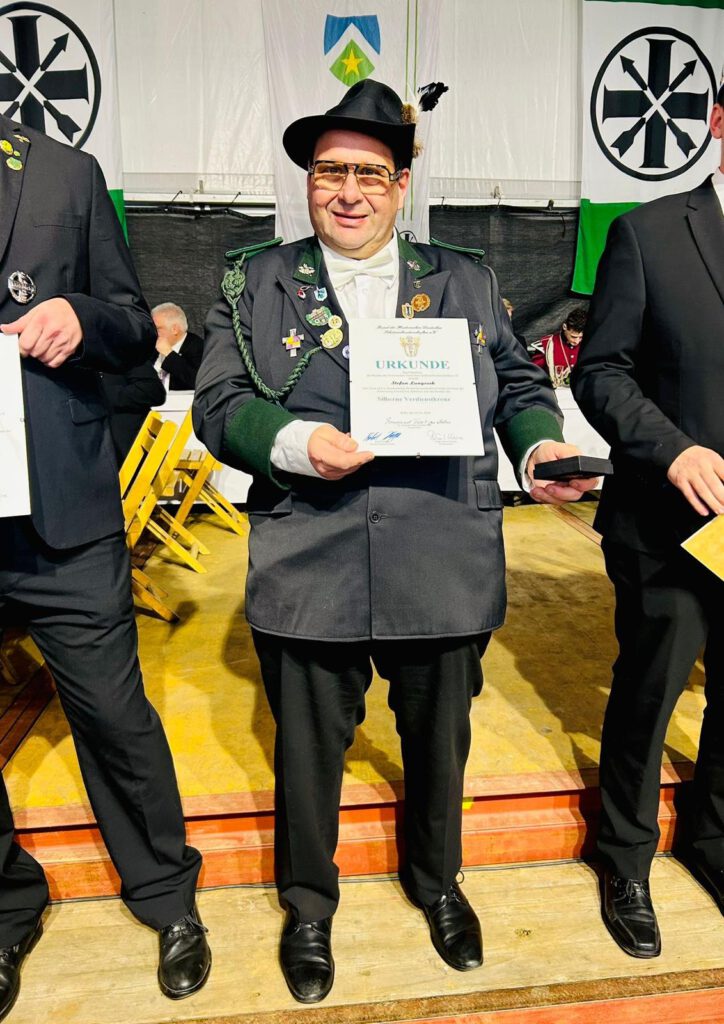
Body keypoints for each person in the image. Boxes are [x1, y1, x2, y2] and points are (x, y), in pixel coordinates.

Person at [193, 79, 597, 1004]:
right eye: (329, 171)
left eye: (370, 174)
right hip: (310, 553)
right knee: (306, 754)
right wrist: (297, 442)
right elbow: (218, 403)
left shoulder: (465, 277)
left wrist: (539, 446)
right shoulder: (255, 280)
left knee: (439, 743)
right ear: (308, 181)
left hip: (440, 554)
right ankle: (309, 906)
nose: (349, 192)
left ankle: (438, 882)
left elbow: (519, 385)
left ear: (401, 185)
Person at [0, 114, 211, 1018]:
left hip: (63, 514)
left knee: (117, 718)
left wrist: (78, 318)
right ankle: (5, 906)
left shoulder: (63, 171)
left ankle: (166, 894)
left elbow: (132, 325)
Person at [571, 88, 724, 959]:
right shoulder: (650, 232)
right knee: (649, 694)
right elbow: (601, 372)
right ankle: (624, 857)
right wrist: (674, 451)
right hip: (670, 524)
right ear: (717, 120)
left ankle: (712, 839)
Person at [99, 360, 167, 464]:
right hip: (93, 450)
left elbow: (154, 391)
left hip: (126, 455)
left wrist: (101, 394)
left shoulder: (123, 354)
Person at [529, 306, 587, 387]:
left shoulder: (588, 344)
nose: (577, 341)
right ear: (564, 327)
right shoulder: (547, 344)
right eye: (573, 337)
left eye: (581, 337)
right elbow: (532, 374)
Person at [152, 302, 203, 390]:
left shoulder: (198, 347)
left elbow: (198, 382)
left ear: (175, 329)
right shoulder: (149, 346)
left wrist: (169, 354)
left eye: (157, 329)